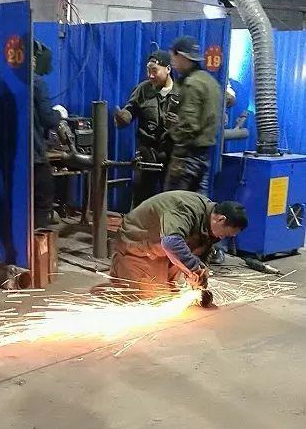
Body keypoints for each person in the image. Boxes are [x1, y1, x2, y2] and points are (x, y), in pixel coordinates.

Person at [92, 191, 248, 301]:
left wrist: (200, 282)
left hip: (160, 250)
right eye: (225, 234)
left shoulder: (210, 222)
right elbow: (171, 243)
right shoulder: (186, 209)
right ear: (221, 219)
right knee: (151, 300)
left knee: (169, 295)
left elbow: (202, 251)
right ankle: (122, 273)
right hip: (137, 246)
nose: (222, 238)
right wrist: (194, 269)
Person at [114, 50, 179, 207]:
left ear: (168, 69)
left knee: (171, 202)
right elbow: (131, 109)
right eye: (148, 70)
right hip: (147, 154)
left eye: (154, 70)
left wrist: (178, 126)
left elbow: (192, 127)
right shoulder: (143, 90)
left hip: (172, 157)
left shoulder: (182, 93)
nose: (150, 75)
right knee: (140, 200)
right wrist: (124, 117)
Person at [165, 36, 222, 194]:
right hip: (204, 154)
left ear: (182, 56)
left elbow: (189, 124)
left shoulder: (192, 83)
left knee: (174, 201)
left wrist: (178, 155)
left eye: (173, 57)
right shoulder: (210, 82)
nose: (173, 63)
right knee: (198, 201)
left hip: (187, 155)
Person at [33, 40, 66, 229]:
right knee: (43, 200)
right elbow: (48, 119)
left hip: (10, 157)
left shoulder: (8, 81)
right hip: (34, 157)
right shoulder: (37, 83)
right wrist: (60, 115)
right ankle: (36, 242)